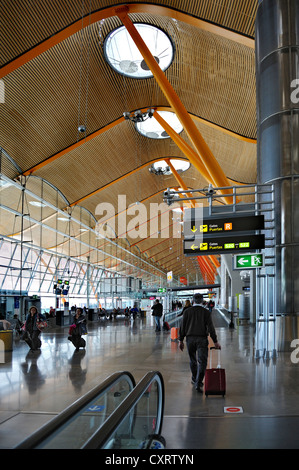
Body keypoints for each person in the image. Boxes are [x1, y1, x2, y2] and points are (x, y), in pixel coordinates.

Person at [178, 293, 221, 393]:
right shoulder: (206, 312)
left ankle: (194, 378)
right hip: (202, 339)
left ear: (193, 301)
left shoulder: (187, 311)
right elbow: (211, 328)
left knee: (192, 360)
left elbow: (182, 327)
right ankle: (198, 382)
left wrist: (181, 340)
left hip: (190, 339)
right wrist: (215, 341)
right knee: (202, 361)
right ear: (202, 301)